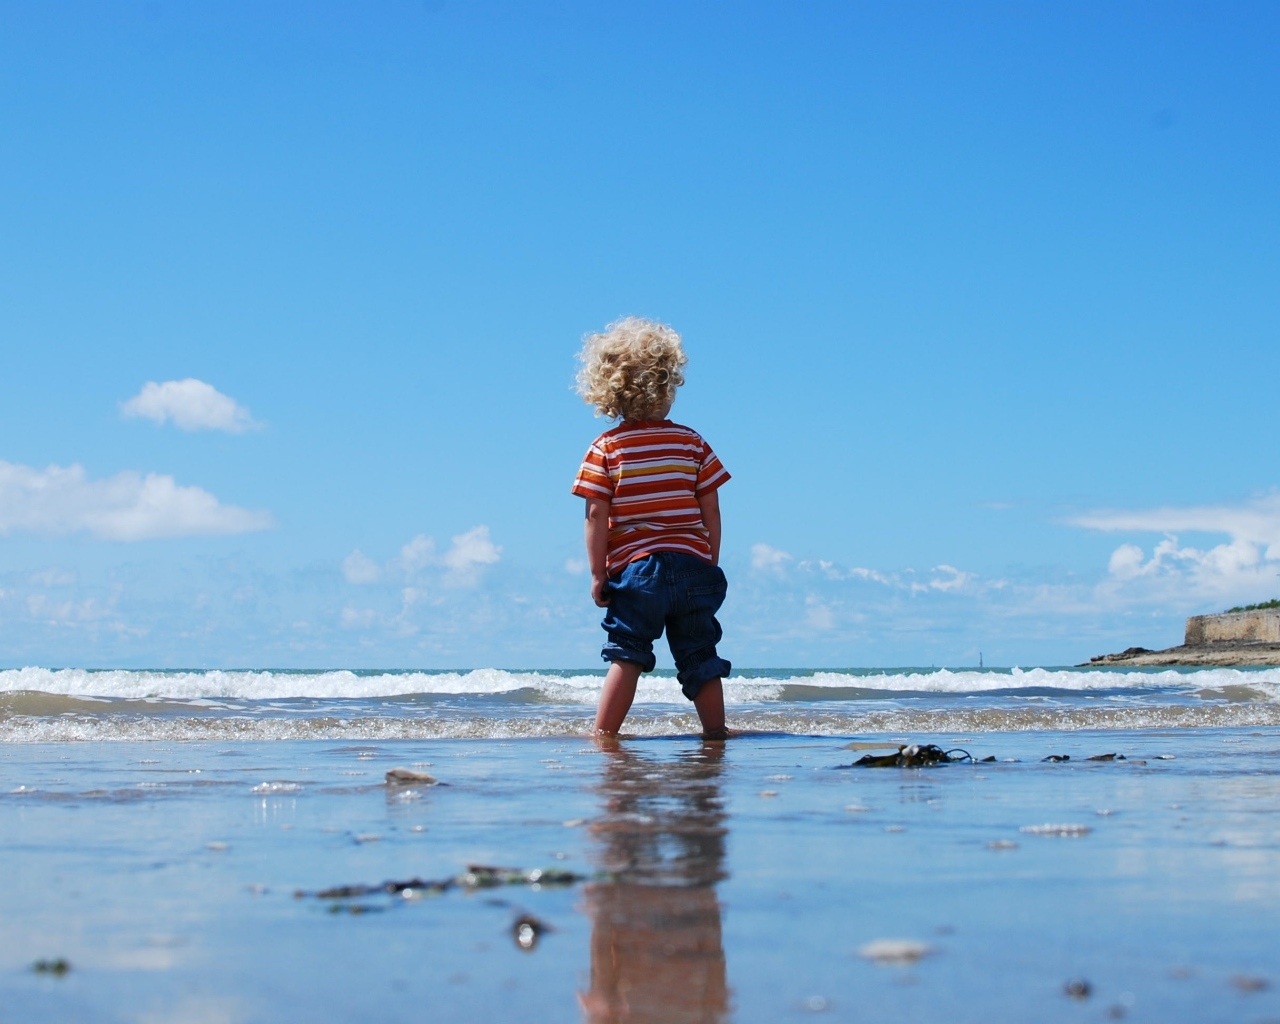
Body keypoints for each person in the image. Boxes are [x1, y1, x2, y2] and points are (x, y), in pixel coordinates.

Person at [571, 316, 732, 739]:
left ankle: (605, 735)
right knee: (700, 654)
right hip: (694, 567)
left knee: (627, 654)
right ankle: (716, 733)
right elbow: (710, 506)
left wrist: (598, 573)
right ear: (667, 386)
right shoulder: (692, 442)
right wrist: (709, 557)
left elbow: (595, 516)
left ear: (611, 392)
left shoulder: (606, 449)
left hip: (637, 572)